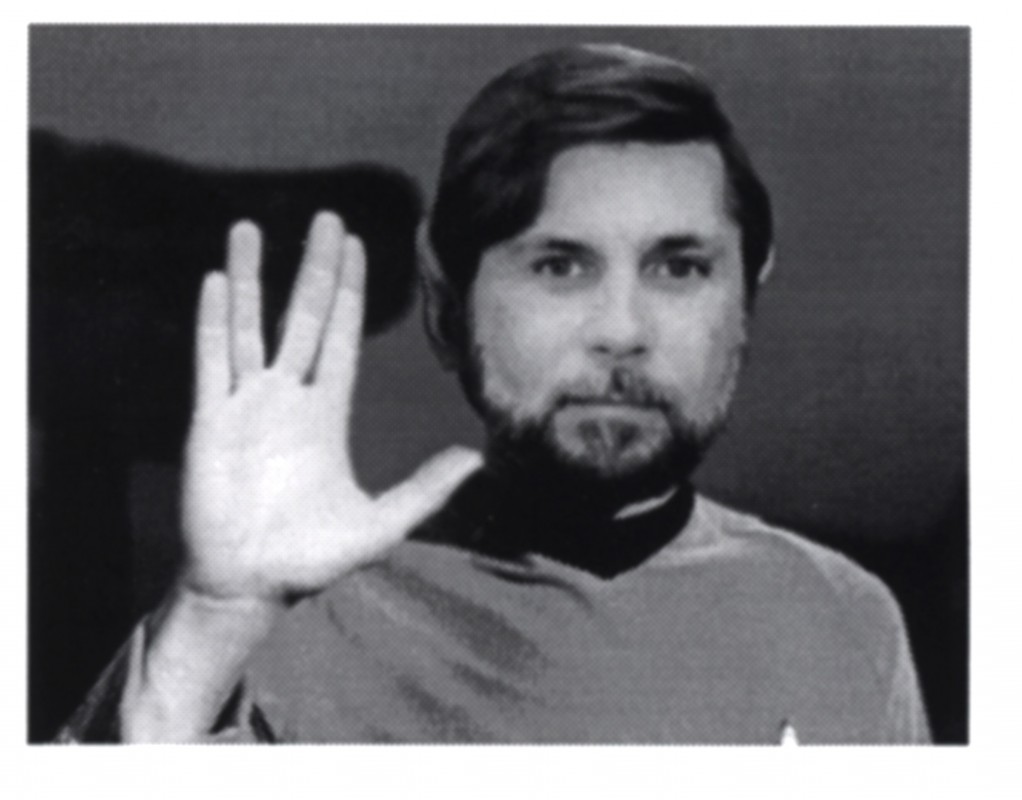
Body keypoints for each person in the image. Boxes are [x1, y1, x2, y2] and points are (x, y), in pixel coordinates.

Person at [58, 43, 930, 744]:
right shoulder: (290, 625)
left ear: (744, 301)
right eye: (559, 266)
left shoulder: (845, 619)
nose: (621, 329)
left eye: (679, 267)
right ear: (447, 307)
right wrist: (217, 615)